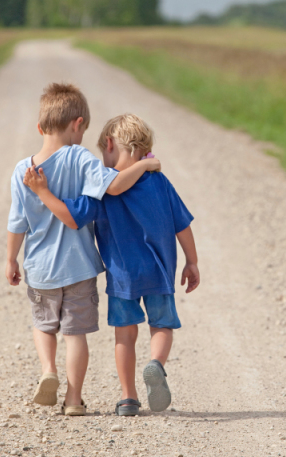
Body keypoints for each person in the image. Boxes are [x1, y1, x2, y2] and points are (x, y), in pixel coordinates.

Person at [23, 113, 199, 416]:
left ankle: (128, 398)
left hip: (122, 277)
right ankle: (156, 364)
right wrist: (192, 262)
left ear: (108, 144)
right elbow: (182, 225)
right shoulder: (159, 181)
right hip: (159, 271)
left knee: (125, 336)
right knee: (162, 326)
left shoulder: (101, 188)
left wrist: (43, 192)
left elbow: (72, 216)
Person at [5, 85, 161, 416]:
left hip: (40, 268)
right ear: (78, 124)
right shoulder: (79, 158)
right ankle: (74, 400)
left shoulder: (23, 170)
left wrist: (10, 259)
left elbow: (17, 222)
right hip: (78, 267)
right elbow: (116, 185)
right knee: (75, 335)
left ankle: (48, 369)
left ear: (40, 128)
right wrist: (146, 166)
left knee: (44, 324)